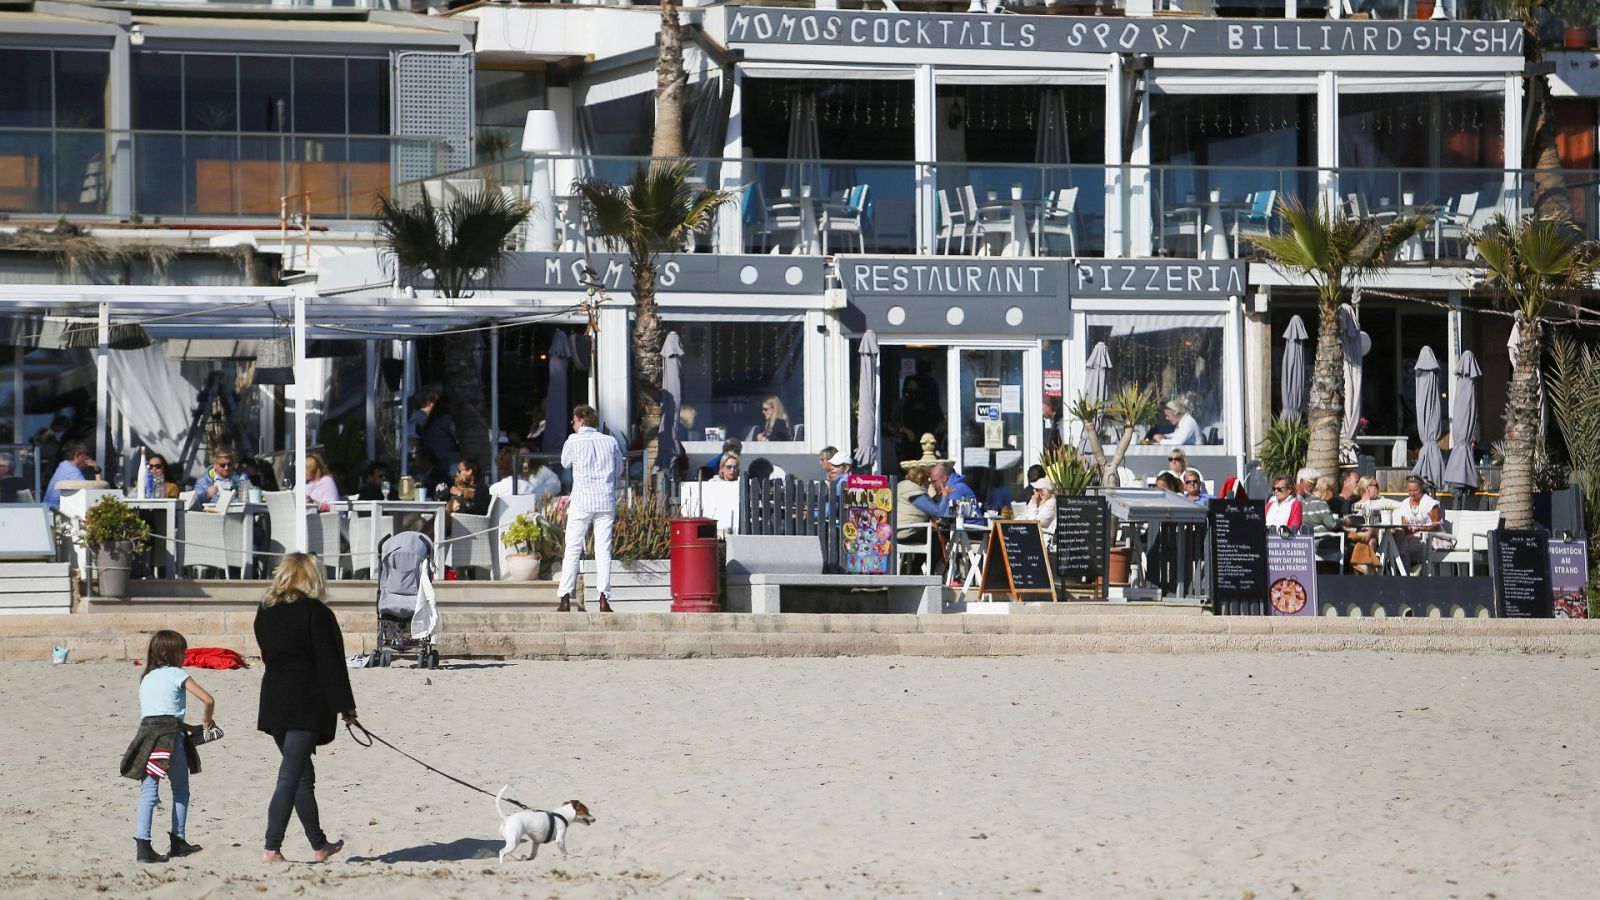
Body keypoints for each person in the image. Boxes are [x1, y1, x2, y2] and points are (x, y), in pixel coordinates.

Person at [254, 553, 356, 864]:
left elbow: (268, 653)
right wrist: (345, 706)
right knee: (290, 775)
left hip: (274, 699)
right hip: (304, 701)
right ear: (312, 577)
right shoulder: (317, 612)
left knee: (300, 775)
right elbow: (331, 664)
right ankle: (272, 848)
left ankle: (319, 844)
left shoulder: (265, 611)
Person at [121, 629, 214, 864]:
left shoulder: (146, 677)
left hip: (147, 736)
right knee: (180, 789)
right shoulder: (177, 673)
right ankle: (178, 841)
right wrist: (206, 721)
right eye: (182, 651)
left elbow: (157, 712)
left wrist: (186, 725)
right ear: (172, 653)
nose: (185, 655)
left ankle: (144, 845)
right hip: (171, 738)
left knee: (148, 792)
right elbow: (208, 699)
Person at [558, 405, 623, 613]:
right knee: (603, 550)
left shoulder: (573, 440)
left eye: (574, 421)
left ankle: (565, 598)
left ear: (581, 421)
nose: (573, 424)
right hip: (604, 500)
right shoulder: (610, 441)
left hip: (582, 501)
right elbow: (619, 470)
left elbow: (565, 463)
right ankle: (603, 598)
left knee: (573, 549)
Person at [1395, 475, 1449, 572]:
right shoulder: (1405, 503)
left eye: (1415, 490)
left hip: (1433, 538)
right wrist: (1407, 528)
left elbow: (1436, 525)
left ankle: (1407, 576)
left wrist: (1419, 528)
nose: (1412, 493)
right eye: (1410, 490)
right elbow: (1405, 526)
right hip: (1413, 538)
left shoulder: (1429, 503)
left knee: (1404, 548)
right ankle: (1404, 576)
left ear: (1421, 488)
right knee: (1397, 546)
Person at [44, 441, 100, 509]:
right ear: (78, 456)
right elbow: (92, 498)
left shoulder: (64, 466)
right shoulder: (72, 472)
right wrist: (97, 471)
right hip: (55, 515)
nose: (89, 458)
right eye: (87, 454)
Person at [420, 395, 459, 486]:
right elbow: (458, 435)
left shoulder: (433, 421)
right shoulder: (445, 419)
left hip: (436, 457)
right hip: (445, 457)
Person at [896, 466, 933, 540]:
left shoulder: (900, 486)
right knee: (935, 536)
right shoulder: (916, 491)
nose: (929, 483)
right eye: (928, 479)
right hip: (907, 533)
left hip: (894, 531)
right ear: (922, 479)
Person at [1020, 477, 1057, 548]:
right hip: (1031, 537)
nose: (1034, 491)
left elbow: (1034, 523)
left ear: (1043, 492)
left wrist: (1034, 503)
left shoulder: (1051, 504)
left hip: (1042, 542)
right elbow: (1024, 515)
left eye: (1037, 489)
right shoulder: (1038, 501)